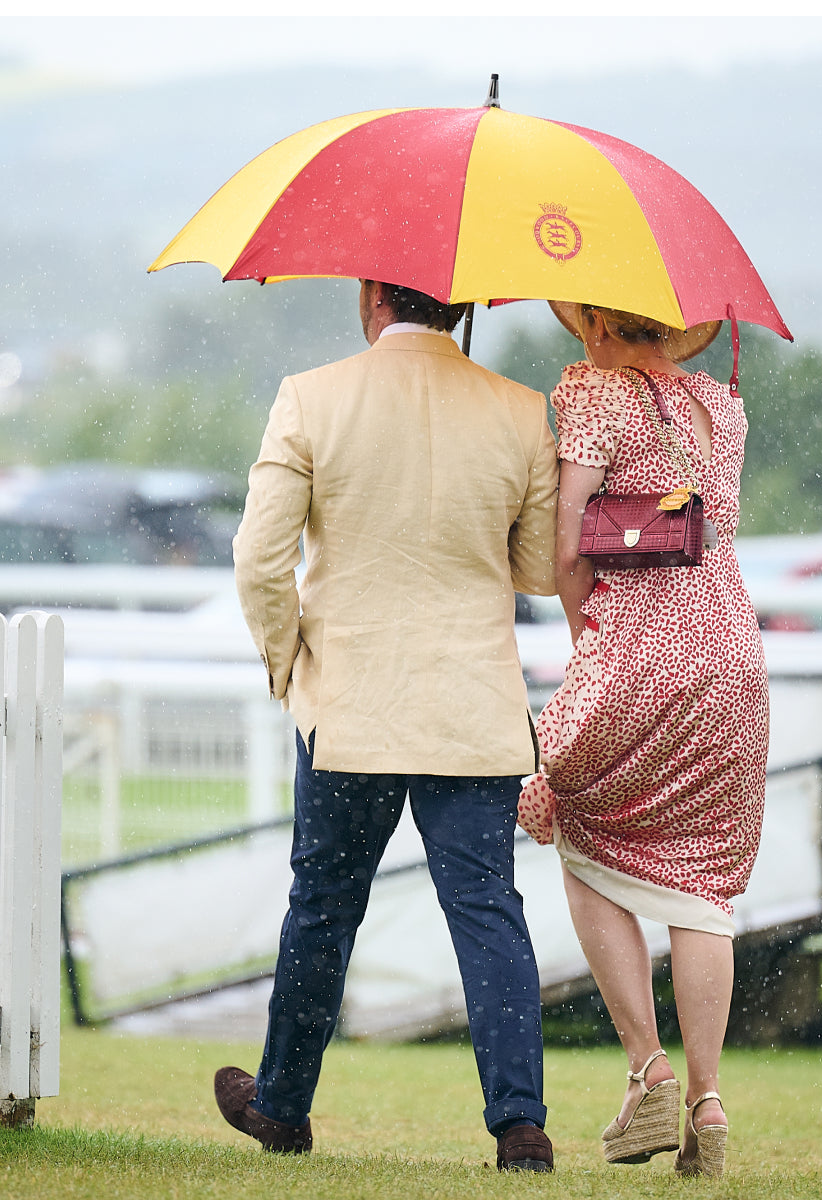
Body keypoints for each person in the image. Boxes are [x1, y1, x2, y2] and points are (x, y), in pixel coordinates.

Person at [215, 280, 559, 1173]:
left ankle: (283, 1105)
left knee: (323, 909)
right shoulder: (520, 411)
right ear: (463, 306)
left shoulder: (311, 396)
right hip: (471, 709)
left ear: (372, 296)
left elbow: (259, 560)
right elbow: (536, 568)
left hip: (350, 706)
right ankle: (520, 1123)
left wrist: (288, 663)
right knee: (488, 912)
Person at [518, 302, 769, 1178]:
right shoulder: (720, 404)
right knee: (704, 889)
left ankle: (646, 1069)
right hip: (733, 657)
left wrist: (596, 629)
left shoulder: (592, 393)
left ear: (592, 320)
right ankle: (707, 1098)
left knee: (577, 820)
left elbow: (564, 548)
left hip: (639, 646)